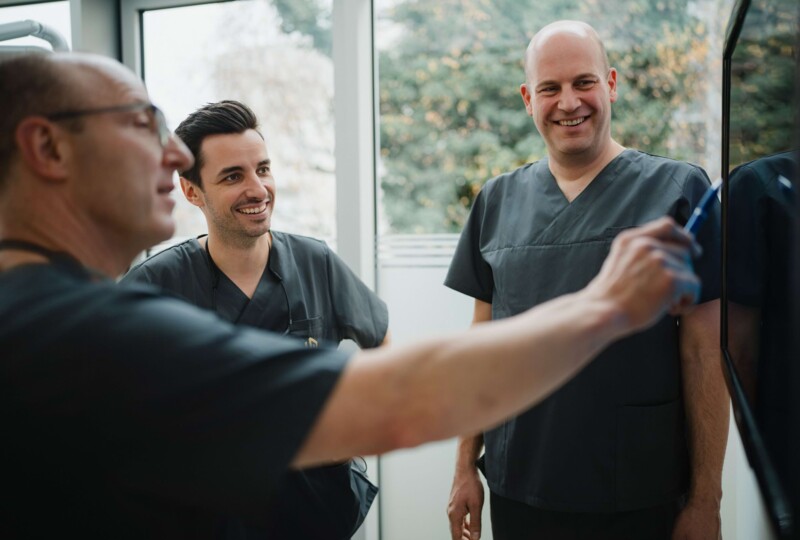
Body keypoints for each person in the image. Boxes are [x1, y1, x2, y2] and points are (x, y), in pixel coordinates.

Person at [0, 51, 701, 538]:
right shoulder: (76, 336)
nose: (177, 154)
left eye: (262, 168)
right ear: (49, 149)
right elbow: (400, 400)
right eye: (140, 123)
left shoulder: (41, 315)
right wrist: (605, 306)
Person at [444, 20, 728, 540]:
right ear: (529, 98)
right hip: (520, 486)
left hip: (639, 491)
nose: (568, 102)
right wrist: (465, 466)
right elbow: (480, 347)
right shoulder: (496, 201)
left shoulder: (679, 190)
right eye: (550, 89)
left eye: (584, 82)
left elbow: (704, 353)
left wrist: (707, 499)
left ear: (612, 84)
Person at [120, 100, 388, 539]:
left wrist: (362, 427)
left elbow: (384, 343)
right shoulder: (156, 282)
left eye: (262, 169)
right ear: (191, 191)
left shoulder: (315, 261)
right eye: (232, 176)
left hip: (318, 510)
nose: (258, 189)